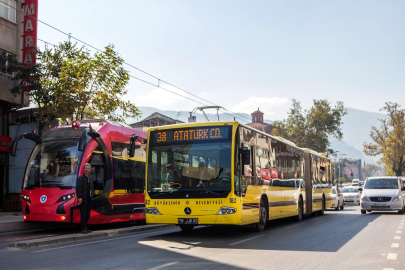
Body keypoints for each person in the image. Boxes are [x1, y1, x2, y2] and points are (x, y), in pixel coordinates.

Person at [76, 163, 94, 234]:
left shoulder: (90, 177)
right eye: (86, 168)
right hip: (83, 199)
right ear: (83, 169)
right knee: (83, 214)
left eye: (88, 168)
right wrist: (80, 197)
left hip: (89, 198)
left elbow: (92, 187)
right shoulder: (81, 178)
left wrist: (92, 195)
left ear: (89, 169)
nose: (87, 169)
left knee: (87, 214)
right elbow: (78, 188)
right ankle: (83, 228)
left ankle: (85, 227)